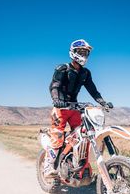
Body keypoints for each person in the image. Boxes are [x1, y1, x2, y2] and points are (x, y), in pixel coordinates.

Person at [44, 39, 113, 177]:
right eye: (81, 52)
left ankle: (77, 164)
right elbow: (55, 85)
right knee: (57, 135)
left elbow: (93, 90)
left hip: (75, 108)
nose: (84, 55)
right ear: (74, 52)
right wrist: (57, 100)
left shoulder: (85, 73)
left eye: (86, 52)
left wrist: (102, 102)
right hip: (61, 108)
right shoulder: (62, 68)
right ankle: (48, 166)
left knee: (82, 135)